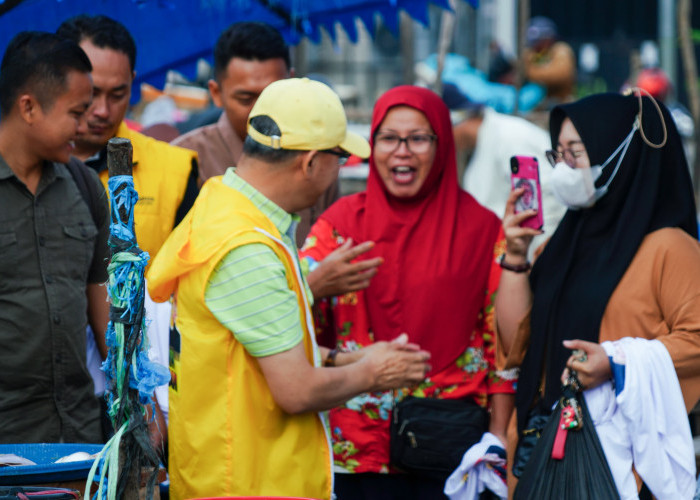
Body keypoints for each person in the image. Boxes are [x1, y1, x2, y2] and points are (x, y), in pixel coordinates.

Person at [146, 78, 431, 500]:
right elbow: (295, 390)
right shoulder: (246, 248)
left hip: (227, 474)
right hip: (250, 484)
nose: (342, 169)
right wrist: (375, 372)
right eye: (340, 157)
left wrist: (345, 359)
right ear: (311, 162)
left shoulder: (221, 206)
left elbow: (245, 355)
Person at [300, 86, 516, 499]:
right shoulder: (340, 225)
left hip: (453, 451)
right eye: (389, 138)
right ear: (372, 145)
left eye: (418, 138)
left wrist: (498, 437)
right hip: (357, 450)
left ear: (442, 145)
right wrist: (315, 284)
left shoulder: (482, 229)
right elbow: (288, 313)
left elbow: (502, 347)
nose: (402, 151)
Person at [496, 92, 700, 497]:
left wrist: (617, 361)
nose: (564, 168)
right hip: (546, 447)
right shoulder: (561, 242)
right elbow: (515, 340)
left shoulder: (669, 247)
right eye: (558, 155)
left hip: (621, 460)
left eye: (577, 152)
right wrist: (516, 256)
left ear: (621, 154)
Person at [0, 31, 110, 443]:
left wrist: (138, 401)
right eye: (76, 112)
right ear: (28, 107)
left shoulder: (84, 185)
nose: (84, 126)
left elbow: (104, 312)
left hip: (79, 437)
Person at [173, 21, 338, 247]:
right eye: (245, 99)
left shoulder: (319, 159)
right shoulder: (182, 162)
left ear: (291, 83)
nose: (262, 111)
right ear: (216, 93)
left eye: (273, 94)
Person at [56, 15, 199, 263]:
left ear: (132, 82)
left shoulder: (175, 170)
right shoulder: (22, 163)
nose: (102, 110)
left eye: (117, 94)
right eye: (92, 93)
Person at [443, 83, 565, 258]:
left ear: (458, 120)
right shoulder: (487, 142)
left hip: (528, 258)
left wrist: (533, 259)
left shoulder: (510, 137)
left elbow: (548, 197)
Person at [523, 16, 576, 106]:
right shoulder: (532, 53)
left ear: (548, 39)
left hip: (562, 103)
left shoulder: (561, 50)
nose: (535, 46)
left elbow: (559, 75)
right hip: (540, 105)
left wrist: (531, 71)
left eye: (538, 41)